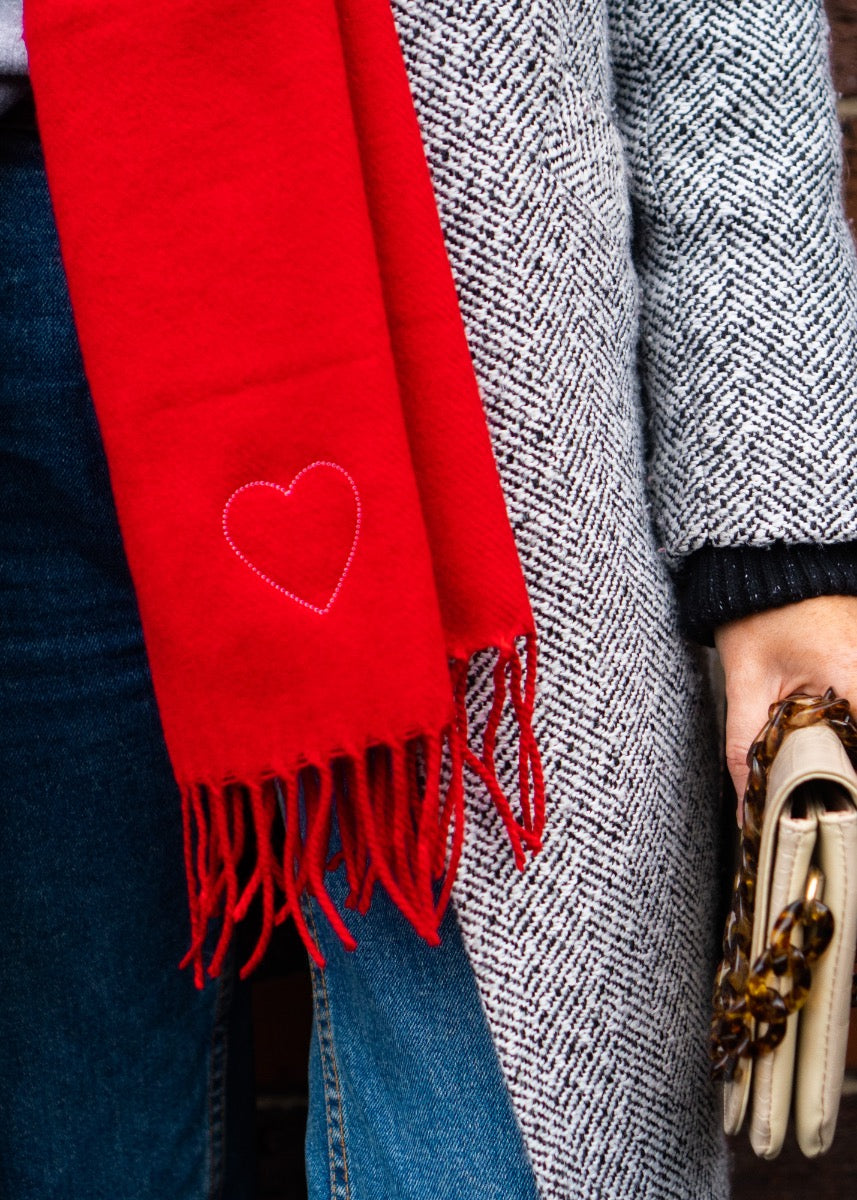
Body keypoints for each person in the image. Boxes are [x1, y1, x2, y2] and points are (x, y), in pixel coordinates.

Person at [3, 1, 857, 1198]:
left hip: (439, 269)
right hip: (27, 242)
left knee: (493, 1152)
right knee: (66, 1140)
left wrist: (781, 536)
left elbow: (718, 34)